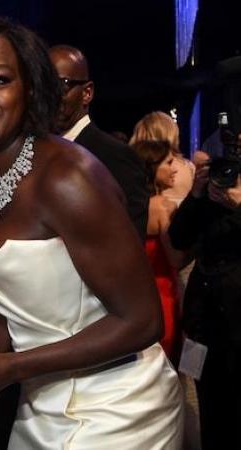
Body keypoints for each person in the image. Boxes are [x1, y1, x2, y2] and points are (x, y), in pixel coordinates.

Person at [0, 15, 183, 449]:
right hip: (41, 402)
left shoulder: (69, 176)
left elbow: (142, 321)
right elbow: (10, 298)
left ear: (32, 89)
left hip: (117, 408)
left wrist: (11, 369)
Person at [169, 144, 241, 450]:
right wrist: (197, 195)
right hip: (206, 322)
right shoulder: (213, 193)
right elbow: (179, 238)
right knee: (211, 415)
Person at [49, 45, 149, 242]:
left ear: (87, 93)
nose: (50, 96)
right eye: (42, 86)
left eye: (61, 85)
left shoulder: (115, 156)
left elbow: (129, 244)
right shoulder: (30, 154)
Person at [132, 140, 189, 360]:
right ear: (152, 167)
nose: (175, 168)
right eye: (168, 162)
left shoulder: (130, 204)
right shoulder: (162, 207)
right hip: (164, 296)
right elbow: (175, 259)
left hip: (139, 297)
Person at [129, 111, 195, 205]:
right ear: (172, 133)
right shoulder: (187, 167)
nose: (173, 169)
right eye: (168, 162)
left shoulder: (131, 168)